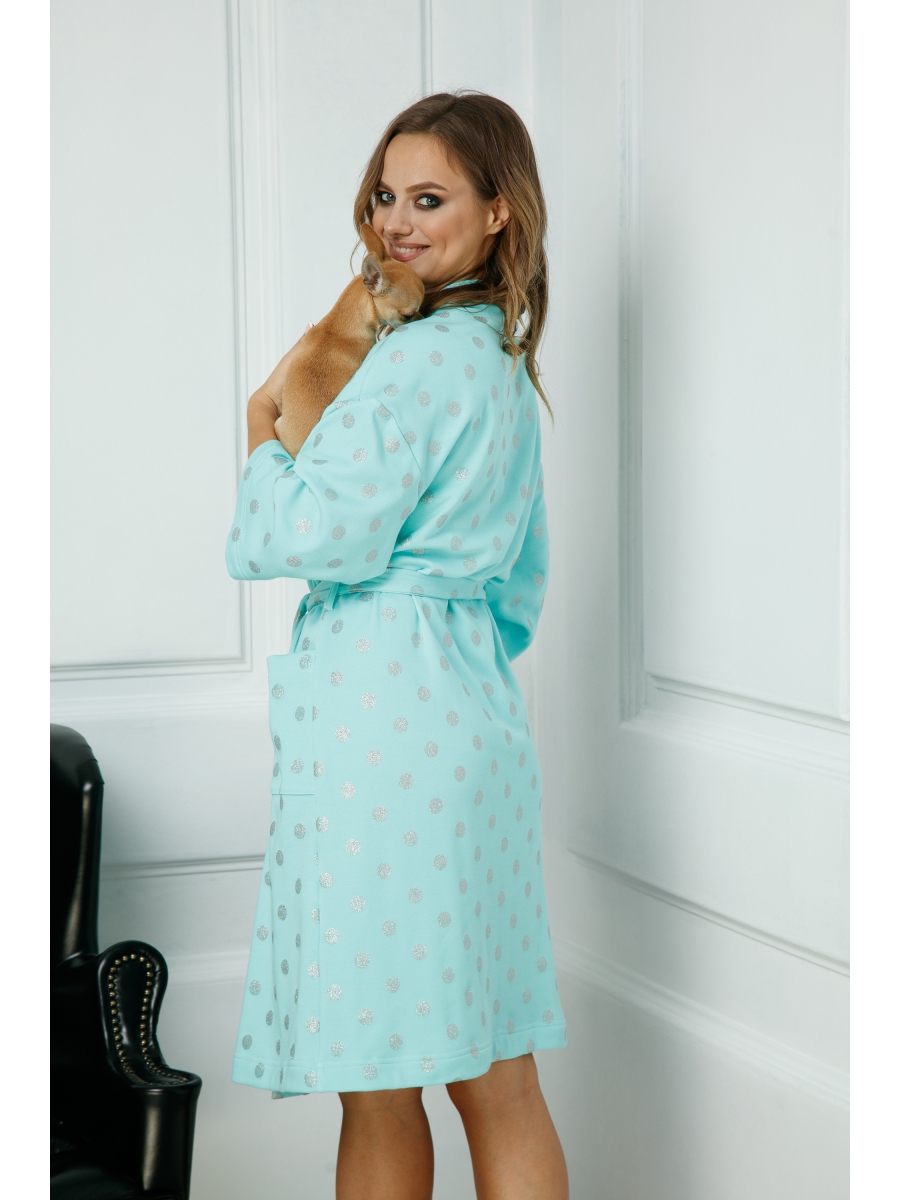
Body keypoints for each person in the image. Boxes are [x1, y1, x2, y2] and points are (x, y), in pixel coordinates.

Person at [226, 90, 569, 1200]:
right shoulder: (504, 368)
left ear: (499, 212)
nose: (395, 224)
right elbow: (519, 587)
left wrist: (261, 440)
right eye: (385, 196)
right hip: (473, 725)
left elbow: (301, 532)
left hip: (382, 740)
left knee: (378, 1083)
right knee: (498, 1074)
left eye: (430, 199)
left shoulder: (411, 365)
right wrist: (442, 639)